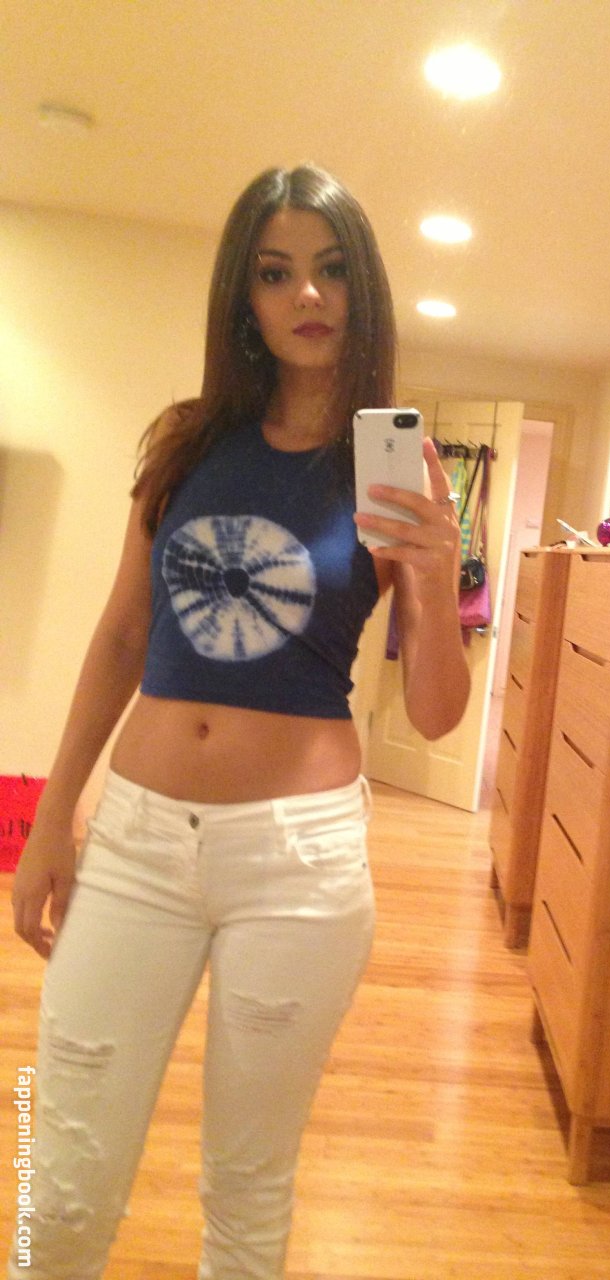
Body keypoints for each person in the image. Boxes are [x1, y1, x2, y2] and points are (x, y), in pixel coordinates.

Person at [8, 164, 470, 1279]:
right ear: (244, 297)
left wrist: (434, 568)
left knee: (248, 1188)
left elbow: (436, 712)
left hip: (297, 861)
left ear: (364, 289)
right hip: (136, 842)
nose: (306, 293)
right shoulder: (185, 441)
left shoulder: (395, 465)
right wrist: (54, 816)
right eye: (275, 272)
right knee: (61, 1183)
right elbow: (122, 634)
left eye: (331, 268)